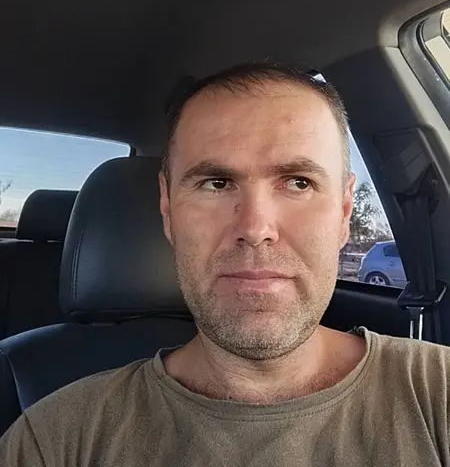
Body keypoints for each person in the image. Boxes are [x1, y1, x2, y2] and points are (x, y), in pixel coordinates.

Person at [1, 62, 450, 466]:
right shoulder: (56, 441)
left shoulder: (439, 393)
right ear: (167, 209)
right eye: (216, 183)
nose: (255, 228)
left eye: (298, 182)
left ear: (344, 211)